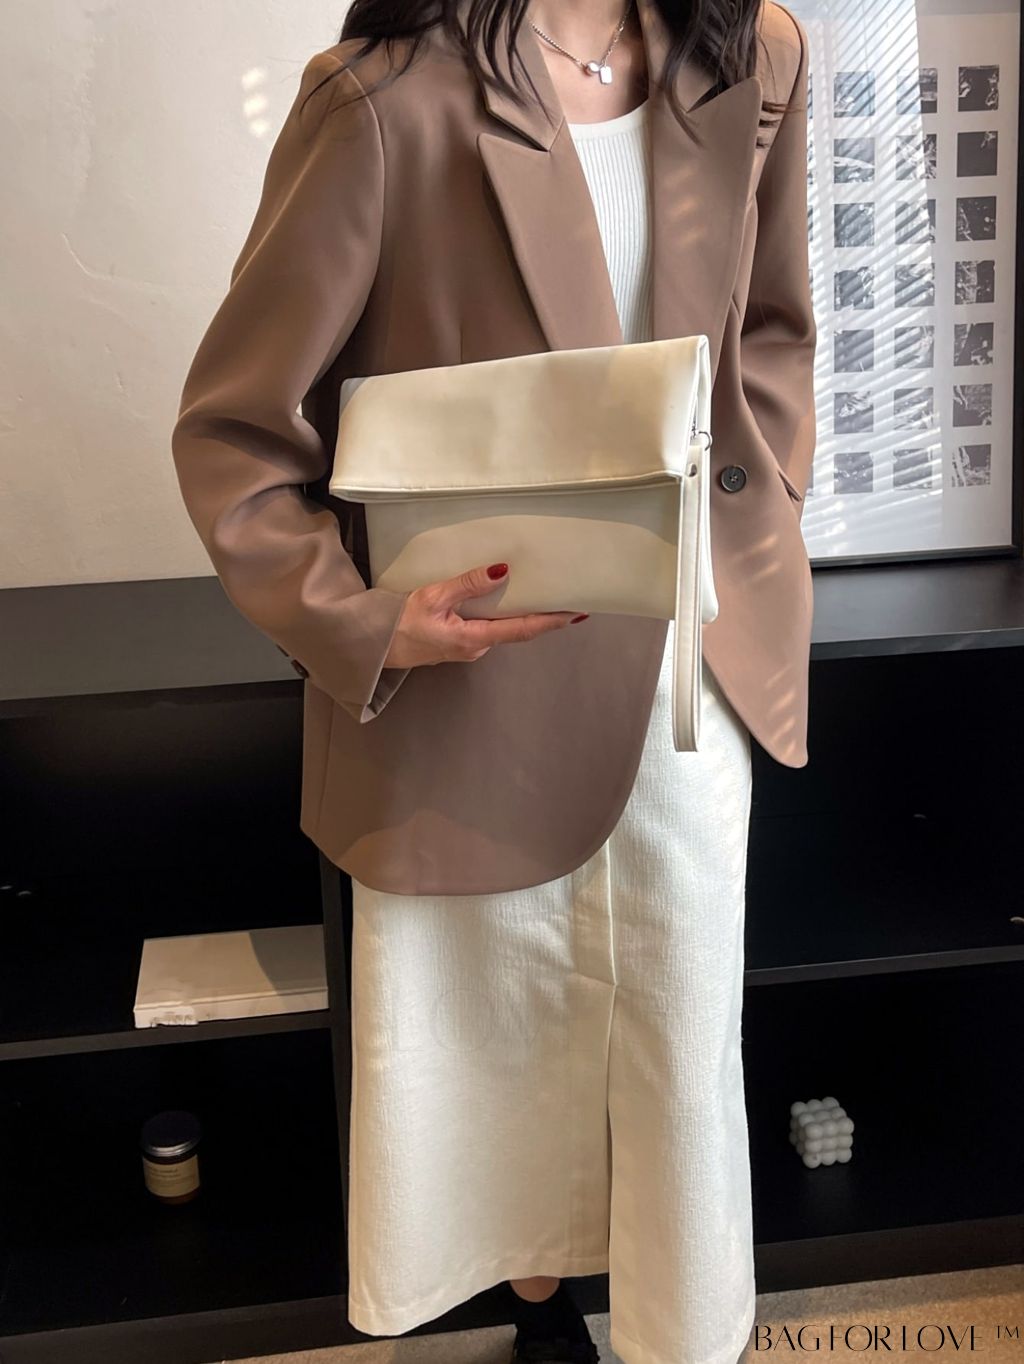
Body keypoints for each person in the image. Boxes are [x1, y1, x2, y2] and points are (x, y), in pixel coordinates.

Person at [171, 0, 816, 1360]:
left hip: (685, 684)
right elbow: (235, 432)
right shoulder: (382, 100)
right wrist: (361, 621)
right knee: (493, 1066)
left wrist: (766, 503)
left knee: (677, 1053)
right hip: (470, 687)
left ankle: (677, 1332)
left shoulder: (753, 55)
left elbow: (771, 328)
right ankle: (538, 1311)